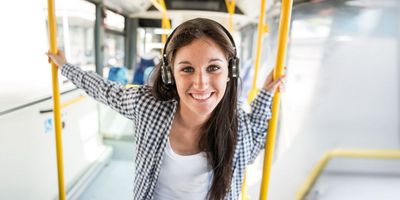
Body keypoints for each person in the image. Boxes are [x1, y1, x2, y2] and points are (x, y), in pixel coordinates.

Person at [47, 18, 285, 200]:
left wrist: (266, 94)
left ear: (230, 73)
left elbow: (256, 135)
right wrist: (65, 66)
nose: (201, 84)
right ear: (170, 74)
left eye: (213, 68)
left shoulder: (239, 127)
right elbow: (103, 89)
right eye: (187, 69)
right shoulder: (147, 106)